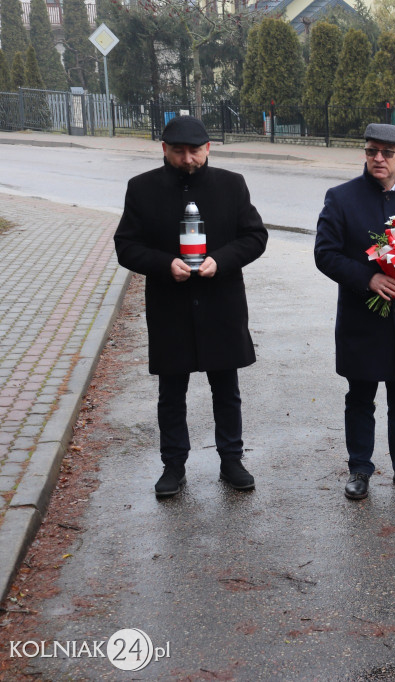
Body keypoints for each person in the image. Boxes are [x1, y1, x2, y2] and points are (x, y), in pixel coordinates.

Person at [113, 115, 268, 498]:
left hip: (221, 302)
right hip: (170, 303)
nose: (188, 159)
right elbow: (126, 246)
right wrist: (163, 265)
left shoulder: (231, 185)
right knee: (171, 390)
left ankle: (231, 459)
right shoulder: (142, 188)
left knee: (226, 387)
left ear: (209, 148)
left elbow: (255, 236)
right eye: (179, 151)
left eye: (195, 151)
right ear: (164, 149)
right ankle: (173, 465)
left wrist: (224, 259)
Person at [314, 123, 395, 500]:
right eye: (372, 151)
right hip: (362, 316)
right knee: (360, 395)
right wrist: (367, 280)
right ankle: (360, 468)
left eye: (387, 152)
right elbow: (325, 254)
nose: (378, 159)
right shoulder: (341, 197)